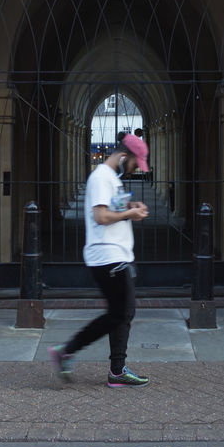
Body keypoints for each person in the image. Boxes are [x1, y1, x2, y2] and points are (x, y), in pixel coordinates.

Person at [49, 133, 151, 387]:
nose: (135, 169)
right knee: (119, 313)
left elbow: (112, 209)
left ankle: (117, 369)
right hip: (107, 256)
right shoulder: (101, 178)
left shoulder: (111, 179)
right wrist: (131, 212)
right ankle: (68, 351)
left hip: (115, 255)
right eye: (135, 164)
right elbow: (101, 216)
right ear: (123, 157)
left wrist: (130, 207)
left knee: (123, 313)